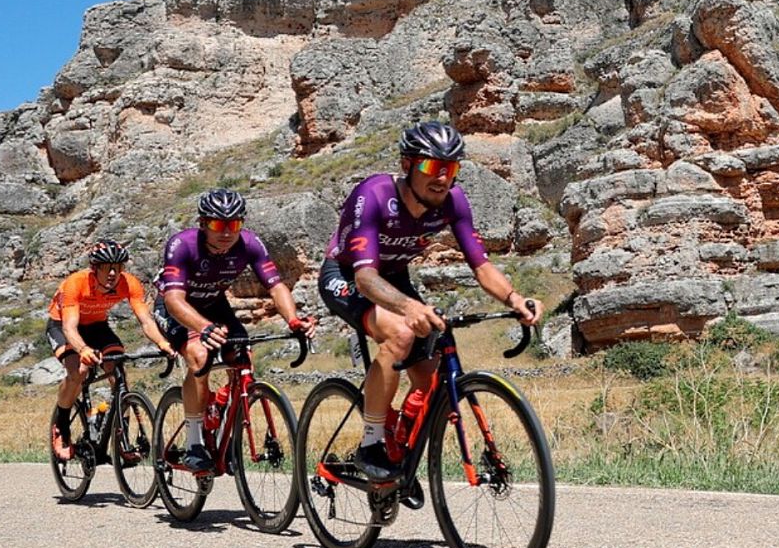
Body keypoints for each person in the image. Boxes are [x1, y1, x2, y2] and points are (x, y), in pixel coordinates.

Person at [319, 121, 541, 482]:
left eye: (450, 169)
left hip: (395, 279)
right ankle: (371, 443)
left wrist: (514, 298)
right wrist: (410, 308)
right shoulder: (373, 195)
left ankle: (398, 452)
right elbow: (365, 278)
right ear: (407, 165)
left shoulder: (453, 202)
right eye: (432, 167)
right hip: (348, 276)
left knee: (430, 378)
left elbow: (481, 265)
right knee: (401, 334)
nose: (442, 178)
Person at [154, 188, 316, 473]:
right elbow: (174, 300)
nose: (227, 232)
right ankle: (194, 442)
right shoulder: (182, 244)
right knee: (198, 356)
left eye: (235, 224)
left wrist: (293, 320)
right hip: (176, 307)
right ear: (203, 223)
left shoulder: (250, 244)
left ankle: (226, 423)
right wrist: (203, 327)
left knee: (242, 357)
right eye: (219, 224)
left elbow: (276, 286)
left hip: (214, 304)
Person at [47, 239, 174, 461]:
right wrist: (83, 349)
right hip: (63, 326)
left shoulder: (129, 283)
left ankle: (121, 438)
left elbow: (146, 321)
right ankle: (61, 426)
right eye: (107, 268)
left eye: (118, 267)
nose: (113, 273)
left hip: (97, 326)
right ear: (95, 269)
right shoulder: (75, 283)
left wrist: (163, 343)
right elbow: (69, 328)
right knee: (79, 372)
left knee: (117, 372)